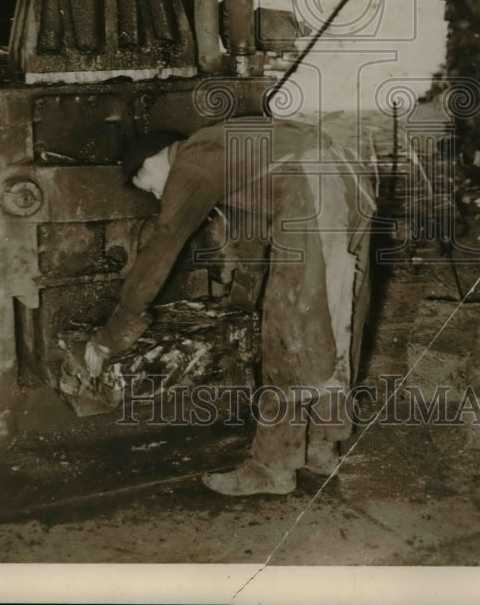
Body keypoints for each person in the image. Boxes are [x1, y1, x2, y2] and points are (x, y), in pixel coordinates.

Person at [85, 117, 376, 496]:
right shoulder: (222, 148)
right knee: (334, 321)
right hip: (351, 185)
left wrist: (114, 333)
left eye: (150, 184)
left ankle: (273, 467)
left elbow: (165, 243)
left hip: (316, 192)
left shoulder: (193, 161)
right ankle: (322, 445)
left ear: (153, 161)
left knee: (288, 335)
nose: (158, 194)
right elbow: (251, 230)